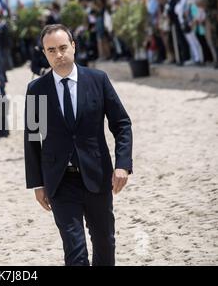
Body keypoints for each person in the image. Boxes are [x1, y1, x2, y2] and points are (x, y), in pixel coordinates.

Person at [24, 24, 133, 266]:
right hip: (60, 181)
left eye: (63, 48)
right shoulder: (36, 90)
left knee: (105, 241)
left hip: (97, 175)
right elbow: (32, 138)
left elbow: (122, 123)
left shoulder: (98, 80)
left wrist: (123, 165)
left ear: (74, 46)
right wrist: (37, 183)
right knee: (75, 250)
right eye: (51, 50)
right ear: (44, 53)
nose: (58, 54)